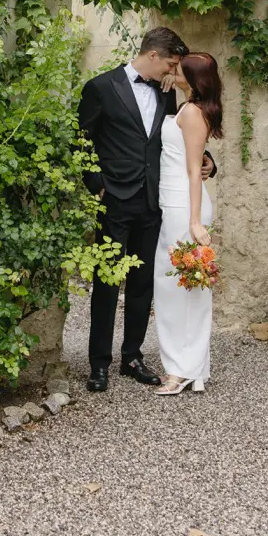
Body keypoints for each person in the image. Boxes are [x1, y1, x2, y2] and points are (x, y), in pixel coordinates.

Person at [77, 27, 216, 393]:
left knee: (143, 284)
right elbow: (82, 138)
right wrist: (97, 185)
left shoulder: (166, 93)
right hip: (115, 199)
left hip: (156, 201)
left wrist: (208, 162)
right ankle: (99, 363)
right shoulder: (100, 87)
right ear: (153, 56)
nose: (172, 72)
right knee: (106, 282)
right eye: (170, 64)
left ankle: (133, 356)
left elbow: (181, 140)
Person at [153, 52, 223, 395]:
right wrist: (172, 84)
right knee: (174, 289)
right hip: (172, 204)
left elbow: (195, 169)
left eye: (178, 70)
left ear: (194, 80)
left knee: (182, 290)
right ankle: (191, 367)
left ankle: (181, 370)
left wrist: (195, 221)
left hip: (184, 207)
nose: (172, 70)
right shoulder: (188, 105)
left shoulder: (194, 113)